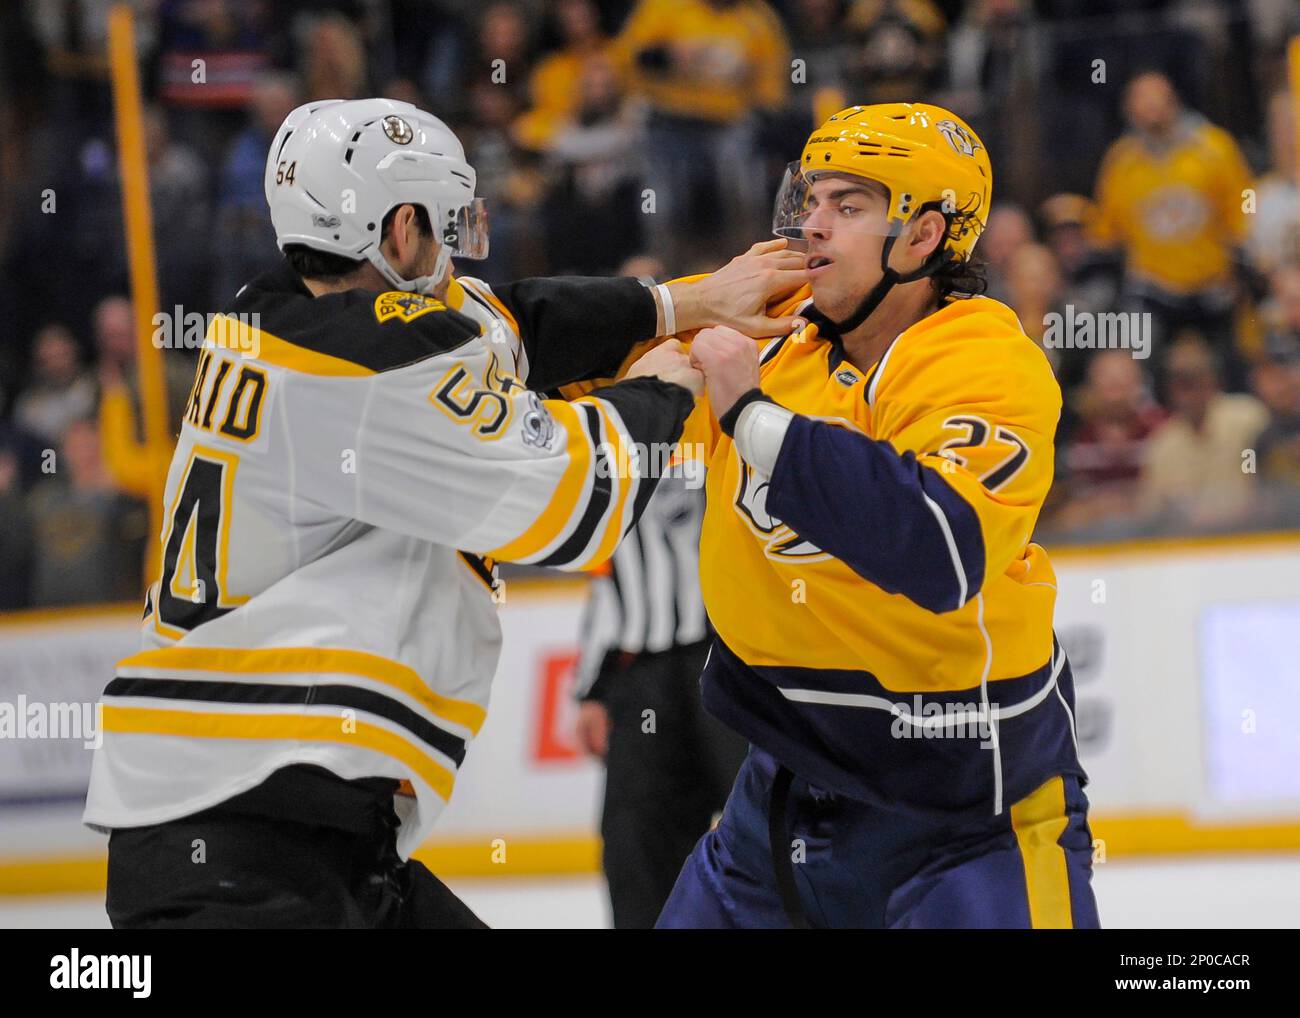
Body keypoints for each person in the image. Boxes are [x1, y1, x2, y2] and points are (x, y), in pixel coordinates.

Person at [82, 97, 805, 929]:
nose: (460, 256)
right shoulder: (366, 373)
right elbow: (571, 499)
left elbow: (513, 323)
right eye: (447, 225)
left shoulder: (288, 308)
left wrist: (684, 303)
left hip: (290, 825)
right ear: (397, 232)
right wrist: (678, 379)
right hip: (237, 850)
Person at [660, 102, 1099, 928]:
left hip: (966, 814)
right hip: (778, 799)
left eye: (849, 206)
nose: (811, 226)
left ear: (925, 237)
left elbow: (939, 546)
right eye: (810, 200)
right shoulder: (777, 336)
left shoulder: (985, 360)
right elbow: (573, 393)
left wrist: (750, 416)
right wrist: (679, 307)